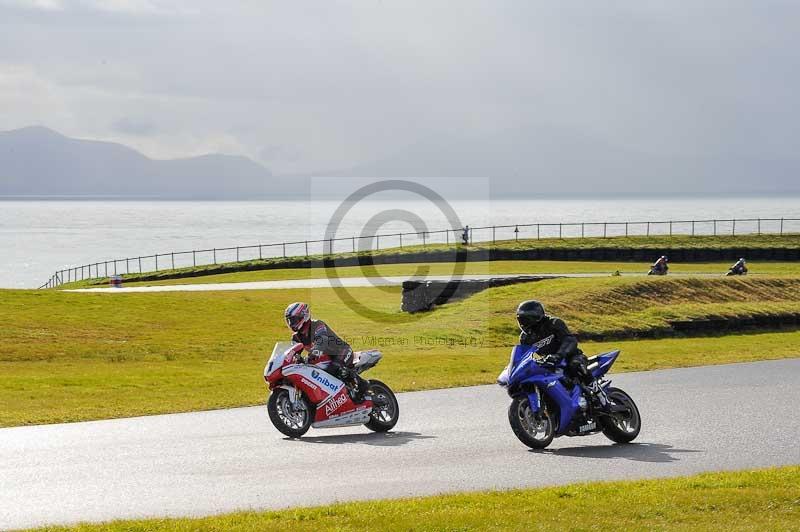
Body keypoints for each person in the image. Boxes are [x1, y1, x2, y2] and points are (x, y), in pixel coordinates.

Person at [516, 300, 605, 407]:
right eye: (520, 319)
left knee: (576, 364)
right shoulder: (525, 338)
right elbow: (523, 356)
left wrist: (559, 355)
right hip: (548, 363)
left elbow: (570, 340)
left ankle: (599, 395)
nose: (523, 323)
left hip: (570, 357)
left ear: (535, 316)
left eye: (525, 319)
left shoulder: (553, 323)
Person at [284, 302, 370, 401]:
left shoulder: (317, 325)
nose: (291, 324)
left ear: (304, 316)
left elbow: (322, 340)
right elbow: (293, 352)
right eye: (289, 321)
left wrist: (314, 353)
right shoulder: (296, 337)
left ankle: (364, 385)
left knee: (334, 369)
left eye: (294, 320)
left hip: (341, 352)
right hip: (325, 358)